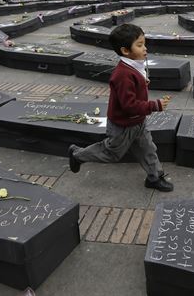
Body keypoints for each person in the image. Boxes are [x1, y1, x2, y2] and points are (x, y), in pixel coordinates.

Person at [68, 23, 173, 192]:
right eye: (139, 45)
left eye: (144, 43)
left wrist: (142, 84)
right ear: (125, 51)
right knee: (111, 153)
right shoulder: (123, 74)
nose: (145, 48)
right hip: (123, 125)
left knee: (147, 148)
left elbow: (132, 91)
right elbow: (129, 105)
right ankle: (77, 155)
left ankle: (154, 177)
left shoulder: (133, 66)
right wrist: (155, 105)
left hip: (138, 121)